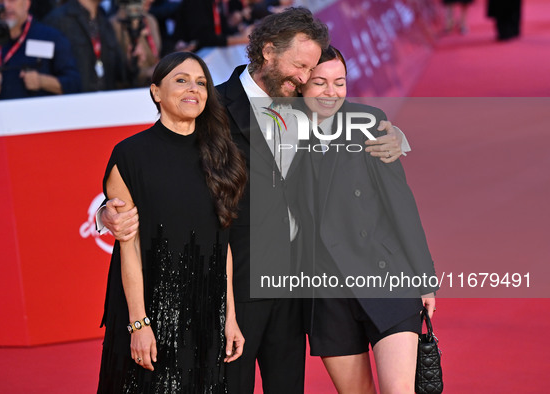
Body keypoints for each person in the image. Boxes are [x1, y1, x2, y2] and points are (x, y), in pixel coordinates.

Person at [98, 7, 406, 393]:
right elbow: (158, 165)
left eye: (311, 69)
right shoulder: (211, 106)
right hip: (232, 289)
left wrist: (393, 136)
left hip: (293, 286)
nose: (305, 77)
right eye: (299, 65)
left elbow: (354, 128)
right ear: (267, 52)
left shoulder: (306, 105)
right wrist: (105, 212)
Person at [97, 51, 248, 393]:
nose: (192, 89)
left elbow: (220, 243)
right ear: (156, 92)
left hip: (206, 310)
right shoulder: (130, 155)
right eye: (181, 81)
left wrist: (230, 317)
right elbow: (129, 247)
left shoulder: (221, 155)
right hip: (151, 309)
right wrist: (139, 324)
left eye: (201, 83)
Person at [299, 46, 437, 393]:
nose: (331, 93)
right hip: (325, 291)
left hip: (386, 275)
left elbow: (400, 203)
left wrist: (424, 277)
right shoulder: (280, 135)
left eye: (339, 82)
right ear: (300, 85)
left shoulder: (369, 124)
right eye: (319, 83)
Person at [0, 0, 81, 100]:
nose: (6, 6)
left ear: (27, 3)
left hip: (39, 122)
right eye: (0, 1)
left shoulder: (51, 38)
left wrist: (42, 81)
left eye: (12, 1)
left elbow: (74, 84)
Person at [44, 0, 127, 92]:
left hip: (105, 101)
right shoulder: (58, 20)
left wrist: (133, 60)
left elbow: (121, 76)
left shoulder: (105, 22)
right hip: (74, 103)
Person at [110, 0, 162, 87]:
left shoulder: (150, 21)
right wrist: (148, 72)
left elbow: (156, 58)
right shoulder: (113, 26)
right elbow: (115, 72)